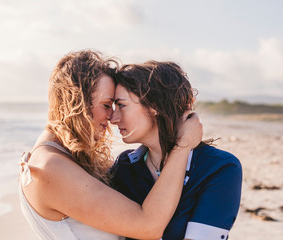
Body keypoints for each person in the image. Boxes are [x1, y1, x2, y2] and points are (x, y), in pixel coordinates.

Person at [19, 50, 203, 240]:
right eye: (107, 105)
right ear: (77, 103)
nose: (112, 118)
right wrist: (183, 145)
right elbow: (148, 226)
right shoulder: (50, 167)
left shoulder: (59, 158)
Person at [110, 61, 242, 240]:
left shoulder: (219, 167)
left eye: (121, 105)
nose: (112, 118)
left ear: (154, 105)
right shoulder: (124, 167)